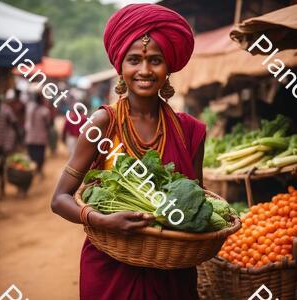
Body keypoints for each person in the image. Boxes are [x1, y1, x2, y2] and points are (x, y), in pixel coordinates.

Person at [51, 4, 205, 300]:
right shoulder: (103, 124)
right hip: (110, 272)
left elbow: (197, 200)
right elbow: (59, 199)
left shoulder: (191, 131)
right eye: (134, 60)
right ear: (120, 66)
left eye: (155, 60)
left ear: (168, 67)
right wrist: (99, 220)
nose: (145, 71)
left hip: (172, 276)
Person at [25, 92, 51, 177]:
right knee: (40, 156)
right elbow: (48, 125)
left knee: (31, 156)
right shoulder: (45, 111)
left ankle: (32, 172)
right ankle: (39, 171)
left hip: (30, 137)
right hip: (41, 138)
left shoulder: (29, 109)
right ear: (42, 100)